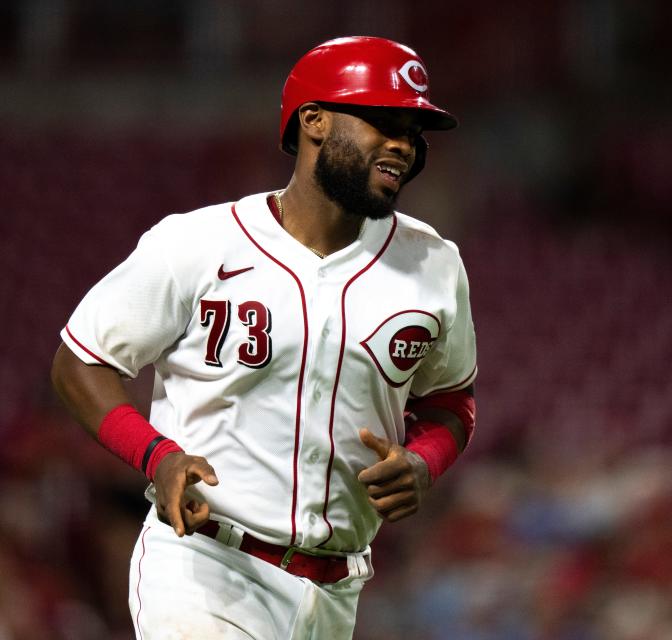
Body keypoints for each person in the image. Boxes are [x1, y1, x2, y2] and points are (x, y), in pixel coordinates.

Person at [50, 36, 477, 639]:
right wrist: (157, 455)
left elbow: (450, 403)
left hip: (336, 592)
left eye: (413, 130)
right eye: (384, 121)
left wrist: (424, 461)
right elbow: (79, 363)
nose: (403, 145)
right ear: (315, 121)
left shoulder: (433, 264)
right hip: (205, 566)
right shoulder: (197, 244)